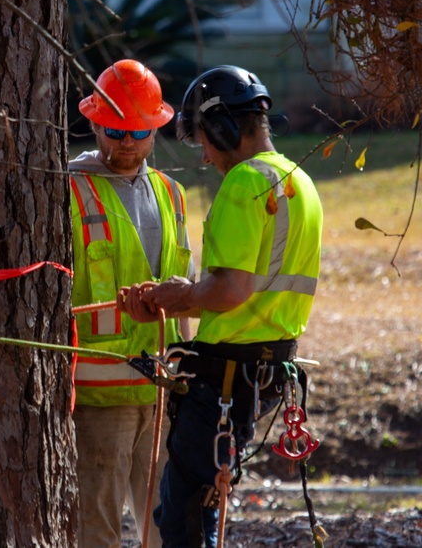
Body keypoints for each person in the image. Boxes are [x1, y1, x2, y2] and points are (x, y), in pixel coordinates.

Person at [117, 65, 323, 548]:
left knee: (184, 516)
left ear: (223, 128)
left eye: (205, 142)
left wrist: (180, 295)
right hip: (264, 373)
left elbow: (230, 289)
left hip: (225, 381)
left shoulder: (243, 183)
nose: (206, 157)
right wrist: (184, 296)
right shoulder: (300, 183)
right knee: (200, 503)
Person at [70, 59, 195, 548]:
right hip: (99, 399)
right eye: (115, 130)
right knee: (95, 531)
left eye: (139, 131)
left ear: (156, 128)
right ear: (95, 123)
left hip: (161, 393)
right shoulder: (69, 188)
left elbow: (186, 289)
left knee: (167, 529)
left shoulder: (172, 194)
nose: (126, 142)